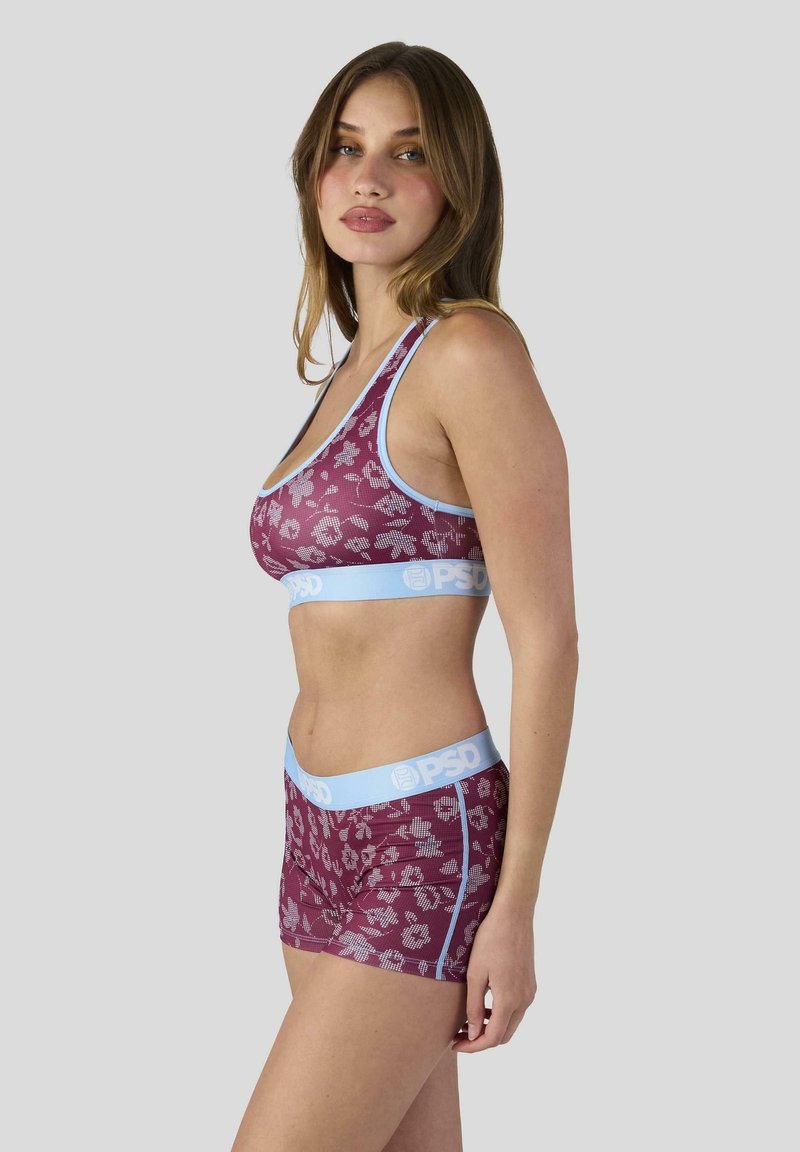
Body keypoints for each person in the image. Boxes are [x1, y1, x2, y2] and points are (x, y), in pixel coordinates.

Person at [234, 40, 579, 1152]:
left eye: (410, 152)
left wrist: (515, 905)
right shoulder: (347, 372)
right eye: (345, 149)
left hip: (422, 832)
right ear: (313, 175)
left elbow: (548, 640)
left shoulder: (469, 353)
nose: (369, 178)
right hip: (312, 829)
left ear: (458, 182)